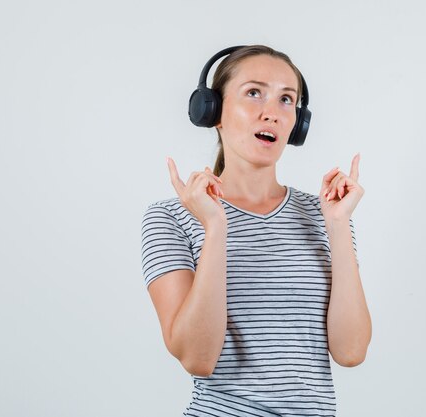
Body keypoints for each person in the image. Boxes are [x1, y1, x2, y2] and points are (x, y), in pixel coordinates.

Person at [140, 44, 372, 417]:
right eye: (253, 93)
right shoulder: (172, 217)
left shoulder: (324, 213)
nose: (273, 113)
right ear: (213, 111)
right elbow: (198, 358)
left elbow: (351, 351)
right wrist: (215, 228)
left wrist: (337, 226)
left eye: (286, 100)